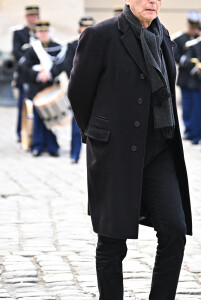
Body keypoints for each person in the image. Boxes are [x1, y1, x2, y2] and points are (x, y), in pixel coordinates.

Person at [68, 0, 192, 299]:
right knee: (112, 241)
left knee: (174, 231)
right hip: (116, 153)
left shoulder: (163, 37)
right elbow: (78, 92)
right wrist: (99, 135)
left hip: (160, 149)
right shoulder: (100, 35)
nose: (152, 2)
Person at [22, 20, 66, 157]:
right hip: (36, 89)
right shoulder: (31, 49)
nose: (43, 34)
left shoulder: (58, 47)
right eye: (40, 32)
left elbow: (64, 65)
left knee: (51, 118)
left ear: (50, 32)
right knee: (37, 118)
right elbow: (25, 67)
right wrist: (38, 74)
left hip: (51, 87)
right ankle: (38, 145)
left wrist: (50, 73)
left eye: (45, 31)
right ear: (37, 33)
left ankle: (53, 146)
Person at [64, 17, 95, 163]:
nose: (86, 29)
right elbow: (67, 66)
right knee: (77, 125)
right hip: (80, 90)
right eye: (84, 26)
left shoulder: (100, 43)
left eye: (89, 26)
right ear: (79, 28)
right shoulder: (72, 45)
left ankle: (95, 156)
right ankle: (74, 154)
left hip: (96, 90)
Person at [12, 5, 39, 143]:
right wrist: (28, 64)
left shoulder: (42, 31)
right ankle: (20, 132)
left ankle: (35, 134)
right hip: (24, 75)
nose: (33, 18)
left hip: (38, 77)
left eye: (35, 16)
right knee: (23, 105)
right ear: (26, 17)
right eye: (30, 16)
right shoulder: (19, 32)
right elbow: (17, 52)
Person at [173, 11, 201, 140]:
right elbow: (176, 55)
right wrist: (186, 62)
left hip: (197, 79)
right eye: (191, 27)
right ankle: (189, 130)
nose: (193, 30)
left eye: (195, 27)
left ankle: (197, 131)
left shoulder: (200, 39)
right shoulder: (180, 38)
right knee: (187, 107)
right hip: (185, 79)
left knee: (197, 107)